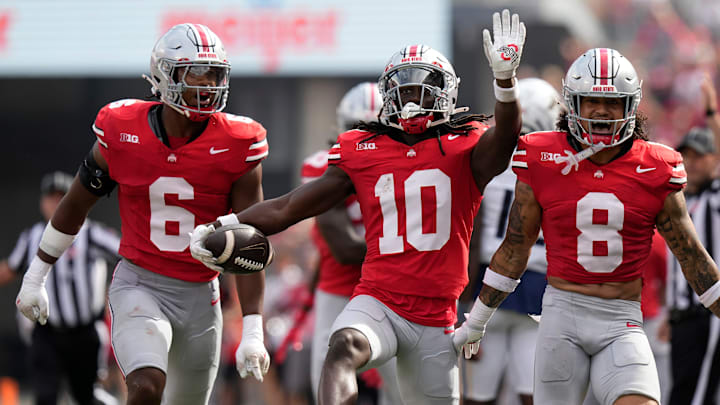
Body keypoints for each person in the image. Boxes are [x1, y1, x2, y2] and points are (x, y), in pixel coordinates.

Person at [191, 9, 527, 404]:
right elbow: (290, 207)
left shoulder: (465, 144)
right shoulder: (363, 148)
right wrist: (225, 223)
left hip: (437, 315)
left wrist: (504, 82)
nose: (413, 100)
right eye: (404, 90)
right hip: (378, 299)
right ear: (388, 95)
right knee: (342, 348)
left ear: (447, 92)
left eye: (423, 90)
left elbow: (505, 137)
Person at [15, 23, 271, 405]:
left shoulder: (238, 142)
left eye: (214, 74)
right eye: (195, 73)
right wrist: (37, 275)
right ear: (165, 76)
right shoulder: (122, 130)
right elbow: (76, 203)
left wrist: (253, 328)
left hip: (202, 296)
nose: (208, 85)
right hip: (141, 284)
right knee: (146, 386)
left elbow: (250, 241)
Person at [457, 47, 720, 405]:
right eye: (591, 100)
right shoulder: (542, 157)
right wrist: (477, 320)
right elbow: (515, 248)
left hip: (622, 320)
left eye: (612, 103)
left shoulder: (657, 166)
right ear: (572, 104)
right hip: (562, 317)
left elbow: (691, 256)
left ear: (631, 106)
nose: (601, 111)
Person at [460, 77, 561, 405]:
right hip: (537, 290)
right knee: (535, 395)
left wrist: (464, 303)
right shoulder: (561, 167)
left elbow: (472, 237)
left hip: (488, 285)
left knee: (477, 396)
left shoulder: (488, 162)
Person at [301, 81, 403, 405]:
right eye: (359, 130)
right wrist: (404, 250)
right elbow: (342, 248)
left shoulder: (407, 160)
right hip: (340, 286)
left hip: (390, 287)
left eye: (374, 131)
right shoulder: (322, 164)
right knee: (326, 383)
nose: (366, 142)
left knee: (403, 390)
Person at [0, 171, 120, 405]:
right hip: (47, 332)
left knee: (86, 396)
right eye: (51, 197)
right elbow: (9, 269)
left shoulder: (92, 234)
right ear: (42, 202)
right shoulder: (32, 237)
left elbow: (127, 255)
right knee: (46, 396)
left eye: (62, 197)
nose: (56, 203)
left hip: (85, 331)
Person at [667, 126, 720, 405]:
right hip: (681, 316)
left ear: (714, 158)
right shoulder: (680, 199)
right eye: (686, 156)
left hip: (708, 314)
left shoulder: (715, 198)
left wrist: (713, 115)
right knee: (682, 389)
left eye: (700, 156)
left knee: (696, 396)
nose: (692, 163)